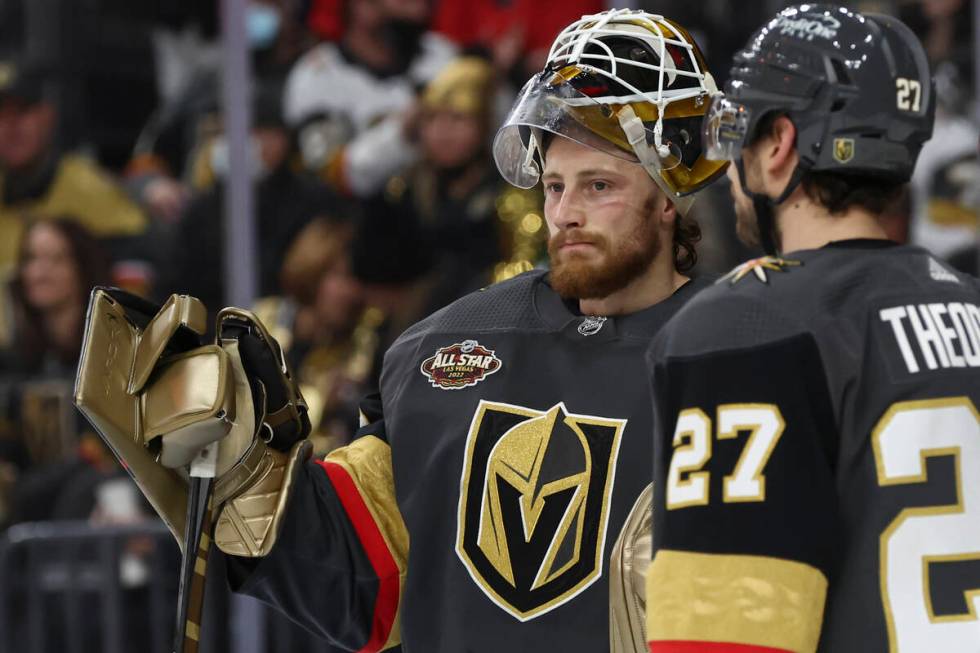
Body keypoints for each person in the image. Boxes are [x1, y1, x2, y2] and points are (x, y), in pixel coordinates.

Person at [73, 9, 727, 652]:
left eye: (599, 185)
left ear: (671, 193)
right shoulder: (443, 352)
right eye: (554, 185)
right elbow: (366, 581)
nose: (566, 214)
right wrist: (247, 473)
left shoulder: (739, 360)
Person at [642, 5, 980, 652]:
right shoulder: (971, 305)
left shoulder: (743, 325)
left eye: (740, 129)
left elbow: (722, 640)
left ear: (781, 143)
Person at [0, 58, 149, 276]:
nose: (11, 128)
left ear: (47, 115)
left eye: (22, 111)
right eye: (1, 116)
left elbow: (137, 270)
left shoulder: (89, 187)